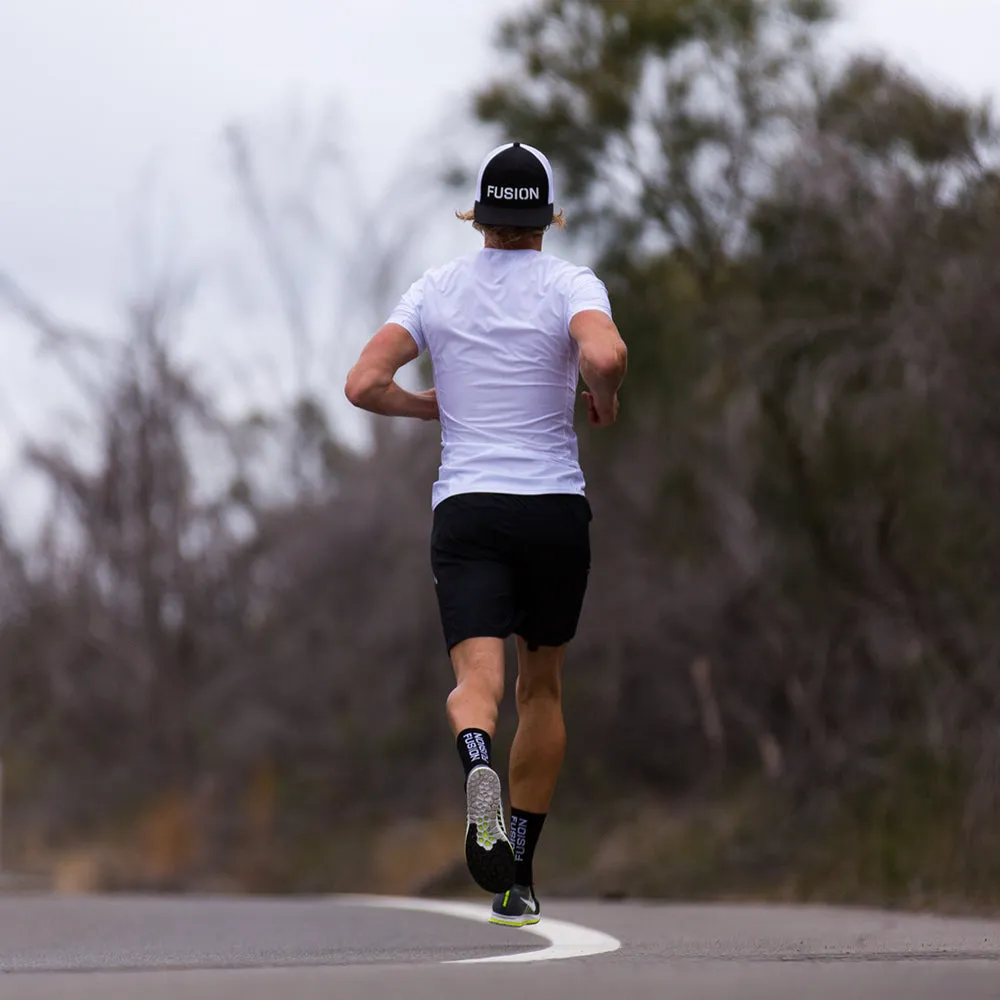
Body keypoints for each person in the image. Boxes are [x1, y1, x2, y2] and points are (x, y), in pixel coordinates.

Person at [344, 141, 627, 927]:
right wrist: (601, 396)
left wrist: (424, 406)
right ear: (544, 222)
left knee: (480, 686)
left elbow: (362, 382)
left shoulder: (436, 289)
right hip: (552, 509)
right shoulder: (571, 281)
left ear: (481, 220)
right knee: (542, 688)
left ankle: (477, 770)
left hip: (467, 509)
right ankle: (520, 880)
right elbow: (604, 350)